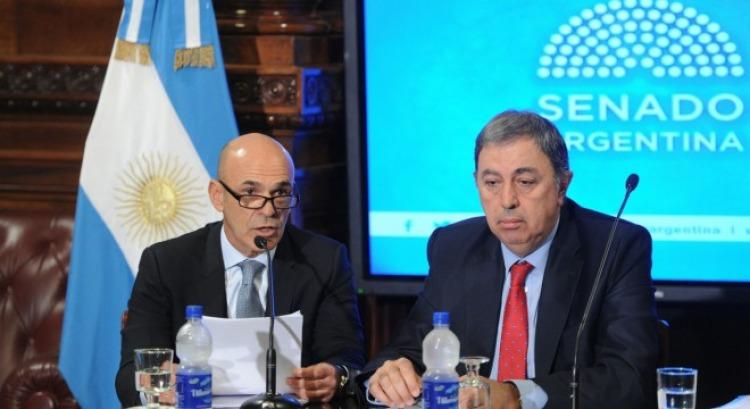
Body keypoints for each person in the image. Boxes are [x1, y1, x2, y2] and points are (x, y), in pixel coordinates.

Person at [362, 110, 658, 409]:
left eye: (525, 182)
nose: (507, 200)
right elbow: (409, 349)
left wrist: (516, 395)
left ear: (562, 186)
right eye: (492, 183)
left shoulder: (614, 247)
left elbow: (629, 377)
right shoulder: (453, 246)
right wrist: (388, 375)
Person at [116, 133, 365, 407]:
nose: (269, 211)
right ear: (218, 196)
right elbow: (131, 375)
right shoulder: (167, 264)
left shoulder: (323, 261)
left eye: (281, 194)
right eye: (251, 194)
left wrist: (334, 376)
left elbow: (348, 361)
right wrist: (159, 386)